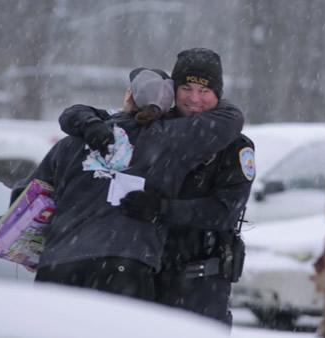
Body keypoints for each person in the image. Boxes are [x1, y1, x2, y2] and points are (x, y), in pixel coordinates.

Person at [12, 67, 244, 302]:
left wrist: (84, 119)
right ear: (167, 105)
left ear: (129, 95)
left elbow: (24, 195)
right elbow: (231, 120)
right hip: (125, 266)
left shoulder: (74, 141)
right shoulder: (173, 141)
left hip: (58, 265)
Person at [59, 48, 255, 325]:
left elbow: (225, 212)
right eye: (186, 88)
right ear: (172, 90)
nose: (195, 99)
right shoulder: (152, 124)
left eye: (205, 91)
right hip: (142, 275)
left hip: (200, 283)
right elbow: (75, 114)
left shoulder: (234, 146)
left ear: (218, 94)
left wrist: (162, 209)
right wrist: (89, 123)